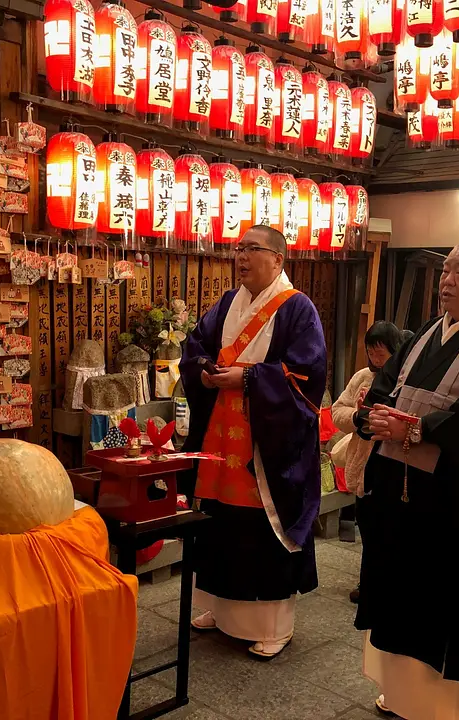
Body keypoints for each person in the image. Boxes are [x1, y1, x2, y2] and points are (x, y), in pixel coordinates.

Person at [354, 240, 459, 719]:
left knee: (442, 600)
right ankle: (402, 692)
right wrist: (370, 416)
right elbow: (385, 383)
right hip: (398, 489)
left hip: (451, 499)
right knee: (398, 591)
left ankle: (447, 706)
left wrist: (416, 427)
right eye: (445, 270)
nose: (446, 280)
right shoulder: (429, 330)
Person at [180, 225, 327, 660]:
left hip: (266, 443)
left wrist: (247, 377)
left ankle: (272, 624)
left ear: (278, 259)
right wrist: (204, 367)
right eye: (238, 248)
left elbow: (307, 375)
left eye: (252, 249)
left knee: (264, 529)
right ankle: (218, 606)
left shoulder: (298, 309)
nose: (241, 256)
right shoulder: (229, 302)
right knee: (221, 523)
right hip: (221, 438)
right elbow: (196, 345)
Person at [331, 320, 404, 605]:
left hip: (391, 462)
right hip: (364, 462)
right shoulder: (362, 376)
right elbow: (338, 410)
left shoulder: (405, 378)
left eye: (381, 352)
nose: (375, 359)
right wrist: (358, 417)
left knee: (386, 527)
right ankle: (368, 581)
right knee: (367, 523)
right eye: (371, 352)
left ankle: (384, 583)